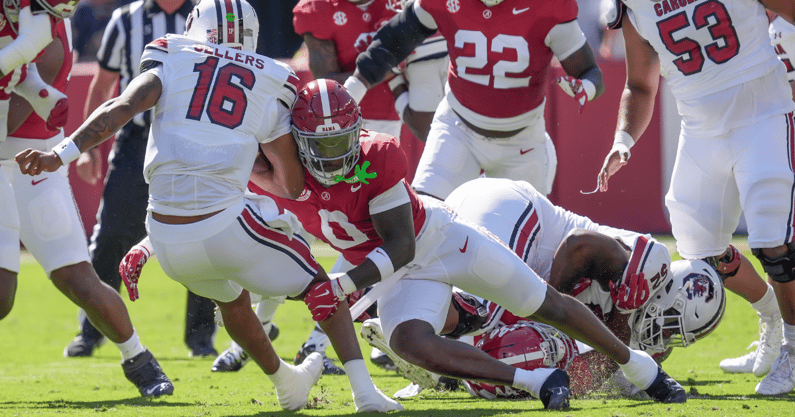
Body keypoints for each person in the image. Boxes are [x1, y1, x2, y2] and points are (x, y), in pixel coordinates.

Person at [15, 1, 403, 412]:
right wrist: (246, 165)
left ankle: (286, 382)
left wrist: (60, 153)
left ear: (195, 26)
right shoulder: (271, 79)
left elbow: (120, 108)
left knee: (232, 302)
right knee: (321, 286)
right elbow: (289, 185)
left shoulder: (171, 56)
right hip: (224, 229)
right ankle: (365, 394)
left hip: (165, 240)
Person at [247, 78, 688, 410]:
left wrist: (345, 285)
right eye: (319, 145)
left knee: (541, 302)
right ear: (296, 142)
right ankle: (535, 381)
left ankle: (640, 368)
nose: (331, 156)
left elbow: (402, 245)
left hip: (439, 240)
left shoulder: (373, 157)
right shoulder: (280, 174)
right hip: (397, 275)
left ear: (356, 131)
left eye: (339, 141)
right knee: (409, 342)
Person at [362, 178, 726, 398]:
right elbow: (577, 246)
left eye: (677, 336)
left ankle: (432, 347)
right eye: (672, 324)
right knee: (491, 315)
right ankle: (412, 325)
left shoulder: (644, 341)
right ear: (669, 293)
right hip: (510, 211)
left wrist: (569, 362)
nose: (664, 337)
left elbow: (585, 377)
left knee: (521, 352)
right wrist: (546, 317)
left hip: (502, 226)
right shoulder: (647, 264)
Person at [594, 0, 795, 396]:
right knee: (700, 251)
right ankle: (773, 318)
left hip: (763, 113)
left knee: (775, 242)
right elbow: (639, 84)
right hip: (699, 128)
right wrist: (622, 139)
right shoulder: (632, 6)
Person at [0, 16, 177, 398]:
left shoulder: (41, 28)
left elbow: (18, 108)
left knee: (79, 278)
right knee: (1, 294)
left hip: (36, 165)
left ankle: (141, 361)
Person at [64, 0, 221, 360]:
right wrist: (88, 150)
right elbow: (103, 87)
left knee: (204, 237)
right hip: (136, 142)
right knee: (110, 236)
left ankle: (200, 338)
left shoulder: (208, 18)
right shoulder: (124, 20)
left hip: (192, 141)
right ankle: (92, 330)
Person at [342, 0, 605, 200]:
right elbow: (392, 41)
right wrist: (350, 93)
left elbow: (590, 72)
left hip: (523, 141)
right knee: (427, 222)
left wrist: (587, 88)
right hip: (458, 128)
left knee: (522, 249)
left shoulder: (548, 7)